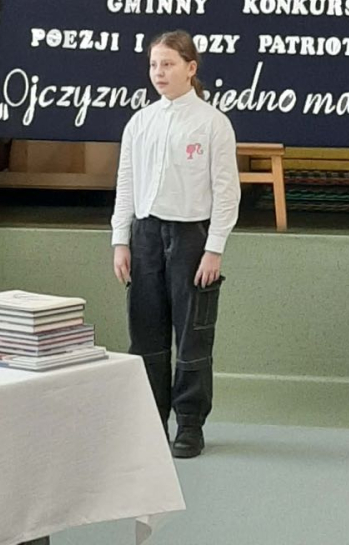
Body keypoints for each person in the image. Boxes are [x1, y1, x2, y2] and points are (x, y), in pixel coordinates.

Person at [111, 29, 241, 459]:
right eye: (153, 64)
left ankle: (189, 424)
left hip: (190, 237)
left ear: (190, 68)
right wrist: (121, 240)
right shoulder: (140, 123)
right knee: (146, 335)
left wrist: (214, 247)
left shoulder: (213, 124)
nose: (159, 72)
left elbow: (227, 192)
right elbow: (126, 184)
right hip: (146, 236)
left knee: (192, 335)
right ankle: (151, 422)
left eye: (168, 64)